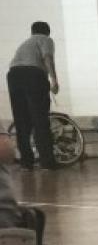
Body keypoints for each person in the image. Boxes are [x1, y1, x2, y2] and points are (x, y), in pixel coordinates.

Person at [7, 21, 60, 171]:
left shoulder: (25, 43)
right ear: (47, 31)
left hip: (14, 75)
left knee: (22, 121)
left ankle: (26, 163)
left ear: (32, 32)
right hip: (33, 75)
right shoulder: (46, 39)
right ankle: (47, 163)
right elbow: (47, 58)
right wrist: (54, 80)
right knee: (40, 118)